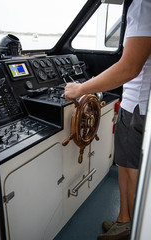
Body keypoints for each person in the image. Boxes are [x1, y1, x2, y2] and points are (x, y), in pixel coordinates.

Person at [65, 0, 151, 239]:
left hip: (139, 108)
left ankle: (135, 230)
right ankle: (124, 220)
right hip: (136, 105)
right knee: (124, 165)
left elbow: (129, 68)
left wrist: (81, 88)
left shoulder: (144, 5)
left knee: (133, 170)